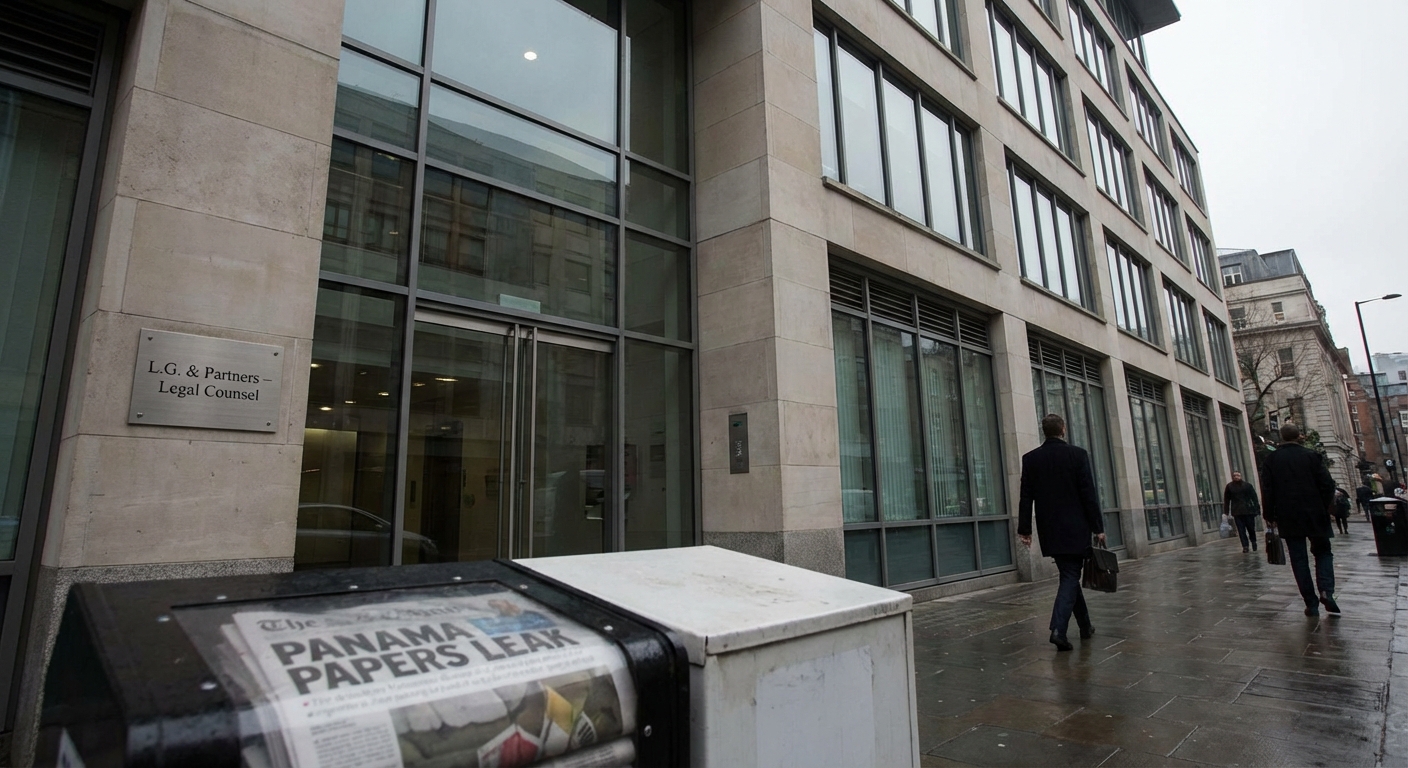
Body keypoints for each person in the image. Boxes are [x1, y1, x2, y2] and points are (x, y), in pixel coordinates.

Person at [1018, 413, 1106, 651]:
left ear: (1044, 432)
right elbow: (1088, 494)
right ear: (1063, 430)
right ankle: (1058, 629)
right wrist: (1098, 527)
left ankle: (1086, 626)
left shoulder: (1031, 459)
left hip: (1050, 530)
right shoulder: (1077, 455)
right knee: (1069, 576)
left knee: (1069, 574)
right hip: (1076, 528)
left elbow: (1026, 496)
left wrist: (1025, 530)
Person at [1260, 423, 1339, 617]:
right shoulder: (1312, 456)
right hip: (1315, 513)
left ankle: (1311, 603)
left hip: (1288, 515)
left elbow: (1267, 490)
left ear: (1281, 437)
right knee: (1323, 552)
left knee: (1298, 559)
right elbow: (1327, 484)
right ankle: (1326, 591)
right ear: (1299, 436)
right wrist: (1324, 505)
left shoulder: (1272, 459)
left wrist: (1269, 515)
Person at [1222, 471, 1261, 553]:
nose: (1236, 477)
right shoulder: (1229, 487)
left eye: (1238, 475)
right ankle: (1245, 546)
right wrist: (1226, 511)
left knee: (1251, 529)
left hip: (1248, 511)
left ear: (1241, 476)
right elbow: (1227, 499)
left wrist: (1257, 509)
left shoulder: (1247, 485)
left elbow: (1254, 497)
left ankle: (1253, 542)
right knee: (1241, 530)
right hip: (1237, 512)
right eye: (1234, 475)